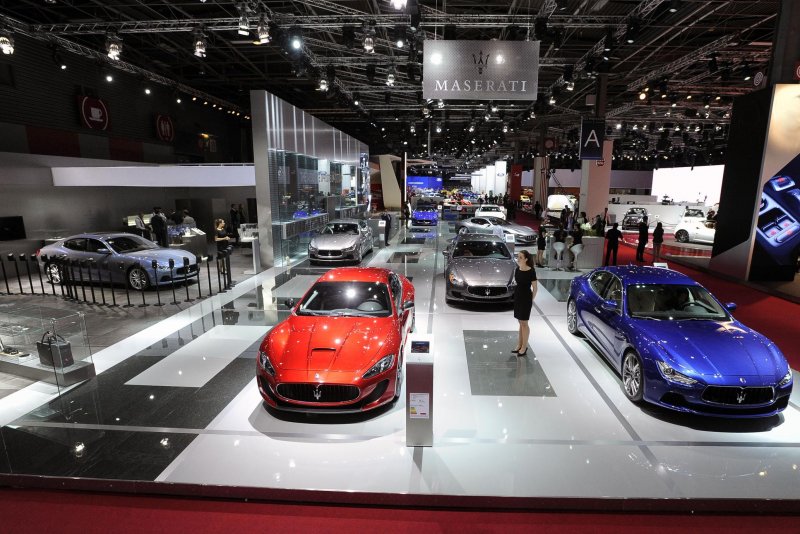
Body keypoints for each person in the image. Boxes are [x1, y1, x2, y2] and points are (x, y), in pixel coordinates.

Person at [512, 250, 538, 357]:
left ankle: (524, 346)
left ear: (526, 259)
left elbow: (535, 288)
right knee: (520, 322)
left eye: (521, 257)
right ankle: (519, 344)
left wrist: (530, 300)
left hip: (526, 298)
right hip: (518, 297)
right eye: (518, 257)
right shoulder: (517, 269)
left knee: (524, 323)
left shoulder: (531, 271)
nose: (518, 259)